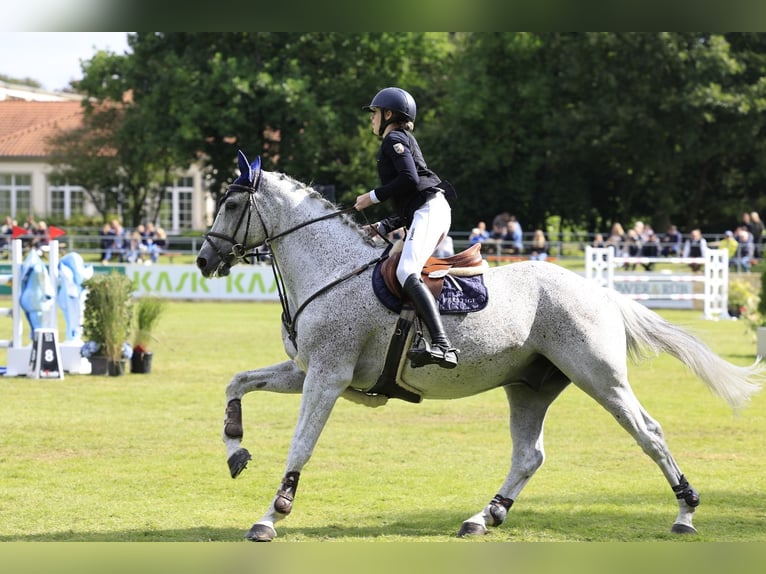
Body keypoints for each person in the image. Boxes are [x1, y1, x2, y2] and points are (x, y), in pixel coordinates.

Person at [355, 87, 458, 369]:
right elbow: (408, 200)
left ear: (388, 114)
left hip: (430, 209)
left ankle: (443, 345)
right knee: (392, 263)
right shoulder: (401, 139)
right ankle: (415, 337)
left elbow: (410, 180)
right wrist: (383, 225)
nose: (372, 119)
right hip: (424, 209)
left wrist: (372, 197)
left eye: (375, 113)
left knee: (405, 270)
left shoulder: (394, 140)